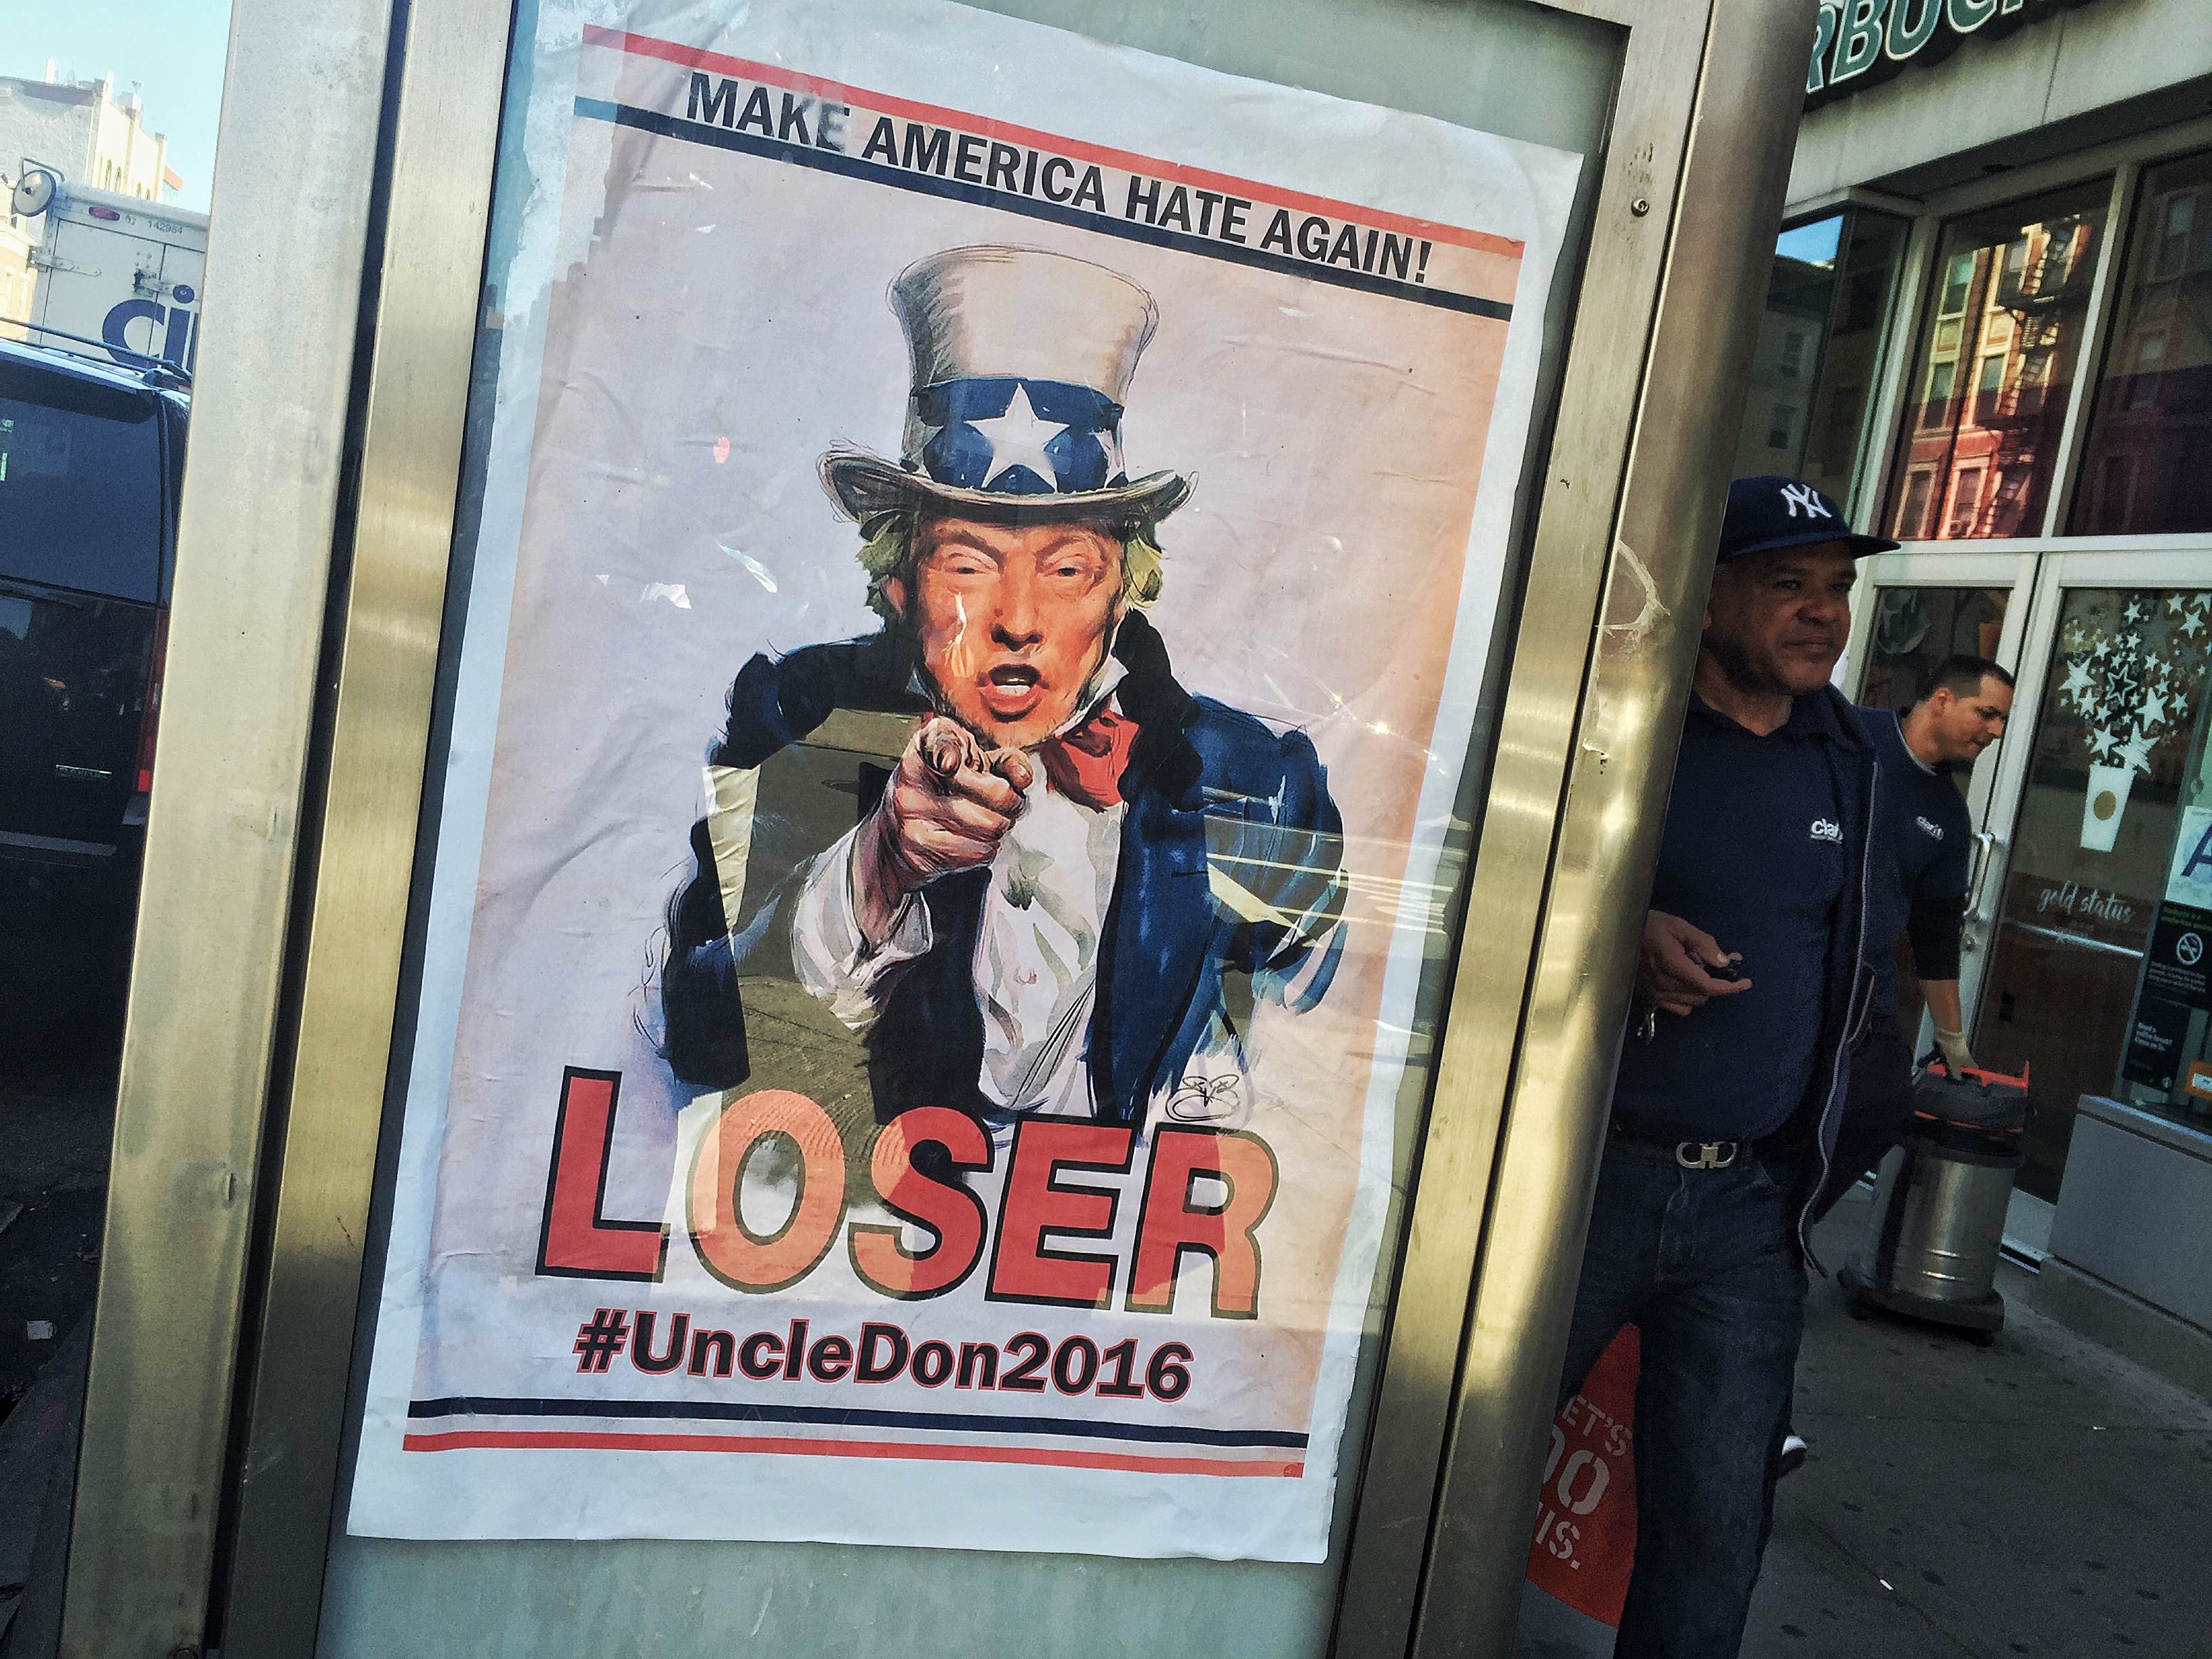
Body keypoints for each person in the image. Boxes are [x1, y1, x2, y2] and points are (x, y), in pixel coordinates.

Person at [658, 243, 1347, 1138]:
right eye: (970, 564)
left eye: (1066, 569)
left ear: (1124, 589)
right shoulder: (804, 721)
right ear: (899, 582)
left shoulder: (1257, 785)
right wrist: (878, 870)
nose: (1019, 620)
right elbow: (701, 1035)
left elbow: (1317, 1084)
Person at [1551, 474, 1896, 1658]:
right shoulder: (1614, 734)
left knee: (1714, 1524)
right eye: (1785, 583)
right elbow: (1503, 892)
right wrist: (1624, 926)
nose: (1819, 612)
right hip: (1573, 1184)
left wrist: (1813, 1177)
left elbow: (1862, 976)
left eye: (1836, 588)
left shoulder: (1854, 759)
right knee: (1453, 1465)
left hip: (1746, 1209)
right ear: (1705, 598)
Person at [1770, 653, 2015, 1477]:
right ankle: (1763, 1222)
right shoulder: (1849, 733)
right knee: (1767, 1116)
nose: (1994, 733)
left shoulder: (1946, 818)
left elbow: (1939, 935)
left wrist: (1953, 1044)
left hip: (1864, 1000)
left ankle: (1783, 1219)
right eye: (1987, 715)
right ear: (1941, 700)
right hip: (1785, 974)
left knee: (1880, 1109)